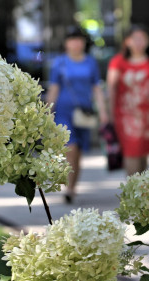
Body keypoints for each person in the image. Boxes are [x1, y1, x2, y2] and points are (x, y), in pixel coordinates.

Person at [46, 26, 108, 204]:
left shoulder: (90, 62)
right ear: (66, 43)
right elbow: (54, 88)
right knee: (70, 148)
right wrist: (48, 111)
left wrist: (103, 112)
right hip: (64, 112)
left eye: (78, 39)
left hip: (84, 113)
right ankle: (68, 186)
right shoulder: (60, 63)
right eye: (72, 40)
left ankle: (72, 186)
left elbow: (96, 88)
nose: (75, 43)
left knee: (78, 152)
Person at [107, 25, 149, 176]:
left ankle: (143, 191)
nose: (139, 42)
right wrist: (109, 113)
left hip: (148, 113)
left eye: (142, 39)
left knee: (144, 152)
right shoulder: (118, 61)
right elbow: (111, 87)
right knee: (132, 151)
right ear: (127, 41)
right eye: (135, 39)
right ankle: (133, 189)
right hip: (126, 114)